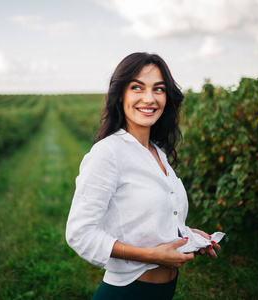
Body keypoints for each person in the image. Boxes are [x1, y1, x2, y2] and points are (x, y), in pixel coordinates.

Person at [65, 52, 221, 299]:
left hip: (164, 291)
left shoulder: (157, 152)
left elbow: (141, 219)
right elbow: (79, 233)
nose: (149, 98)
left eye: (158, 89)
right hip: (127, 292)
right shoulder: (108, 153)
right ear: (120, 95)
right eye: (137, 87)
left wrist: (186, 235)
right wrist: (152, 256)